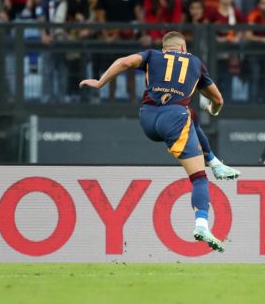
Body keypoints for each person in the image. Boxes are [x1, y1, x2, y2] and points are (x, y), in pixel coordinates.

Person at [79, 31, 241, 252]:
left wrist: (99, 83)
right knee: (199, 178)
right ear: (184, 49)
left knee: (191, 115)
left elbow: (124, 61)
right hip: (174, 118)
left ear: (165, 48)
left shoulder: (152, 55)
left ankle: (215, 162)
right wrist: (212, 110)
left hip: (147, 118)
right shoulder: (195, 63)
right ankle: (202, 224)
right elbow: (218, 100)